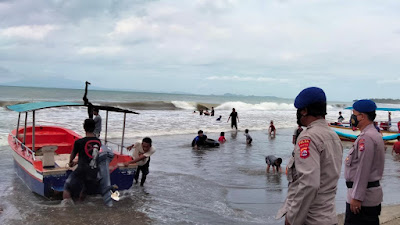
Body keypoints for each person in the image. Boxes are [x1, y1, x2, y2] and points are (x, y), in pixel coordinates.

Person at [276, 87, 343, 225]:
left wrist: (293, 218)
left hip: (311, 219)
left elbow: (309, 183)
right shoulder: (334, 136)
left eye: (299, 110)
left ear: (305, 110)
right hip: (329, 216)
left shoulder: (308, 137)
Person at [344, 99, 385, 225]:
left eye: (354, 114)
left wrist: (357, 197)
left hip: (363, 200)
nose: (352, 117)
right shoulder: (373, 134)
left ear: (361, 116)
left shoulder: (366, 137)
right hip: (367, 196)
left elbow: (363, 169)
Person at [63, 119, 101, 202]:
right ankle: (81, 206)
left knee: (67, 186)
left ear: (84, 128)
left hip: (82, 170)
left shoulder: (79, 142)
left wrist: (71, 163)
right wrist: (78, 161)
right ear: (94, 128)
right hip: (93, 171)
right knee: (84, 190)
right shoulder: (98, 141)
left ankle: (66, 207)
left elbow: (73, 154)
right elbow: (91, 156)